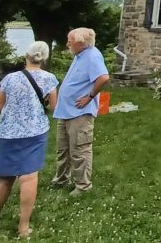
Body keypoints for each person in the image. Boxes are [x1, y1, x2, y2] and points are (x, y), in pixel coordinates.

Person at [0, 41, 58, 239]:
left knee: (3, 180)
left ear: (26, 56)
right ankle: (23, 228)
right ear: (43, 58)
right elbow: (53, 107)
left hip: (8, 133)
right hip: (35, 132)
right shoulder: (49, 79)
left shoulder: (10, 78)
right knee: (29, 177)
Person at [51, 27, 111, 196]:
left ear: (80, 42)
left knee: (80, 149)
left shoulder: (92, 56)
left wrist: (90, 97)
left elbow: (103, 77)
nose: (67, 43)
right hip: (66, 111)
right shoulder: (79, 55)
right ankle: (61, 179)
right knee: (63, 149)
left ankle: (83, 186)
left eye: (70, 40)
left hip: (79, 112)